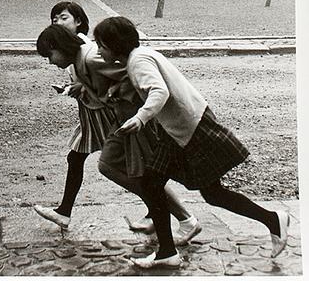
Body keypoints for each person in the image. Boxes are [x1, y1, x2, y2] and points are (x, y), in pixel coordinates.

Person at [93, 15, 290, 269]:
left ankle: (272, 221)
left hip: (191, 127)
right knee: (184, 189)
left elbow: (159, 90)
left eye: (101, 45)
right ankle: (270, 221)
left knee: (174, 187)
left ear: (114, 46)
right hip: (181, 127)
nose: (98, 50)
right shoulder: (141, 56)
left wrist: (141, 118)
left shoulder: (138, 62)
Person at [33, 18, 201, 245]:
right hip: (121, 121)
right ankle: (160, 212)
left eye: (49, 56)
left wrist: (122, 94)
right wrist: (82, 87)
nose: (50, 62)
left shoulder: (92, 57)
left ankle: (183, 221)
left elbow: (131, 68)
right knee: (112, 166)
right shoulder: (81, 60)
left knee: (142, 175)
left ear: (58, 47)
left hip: (135, 120)